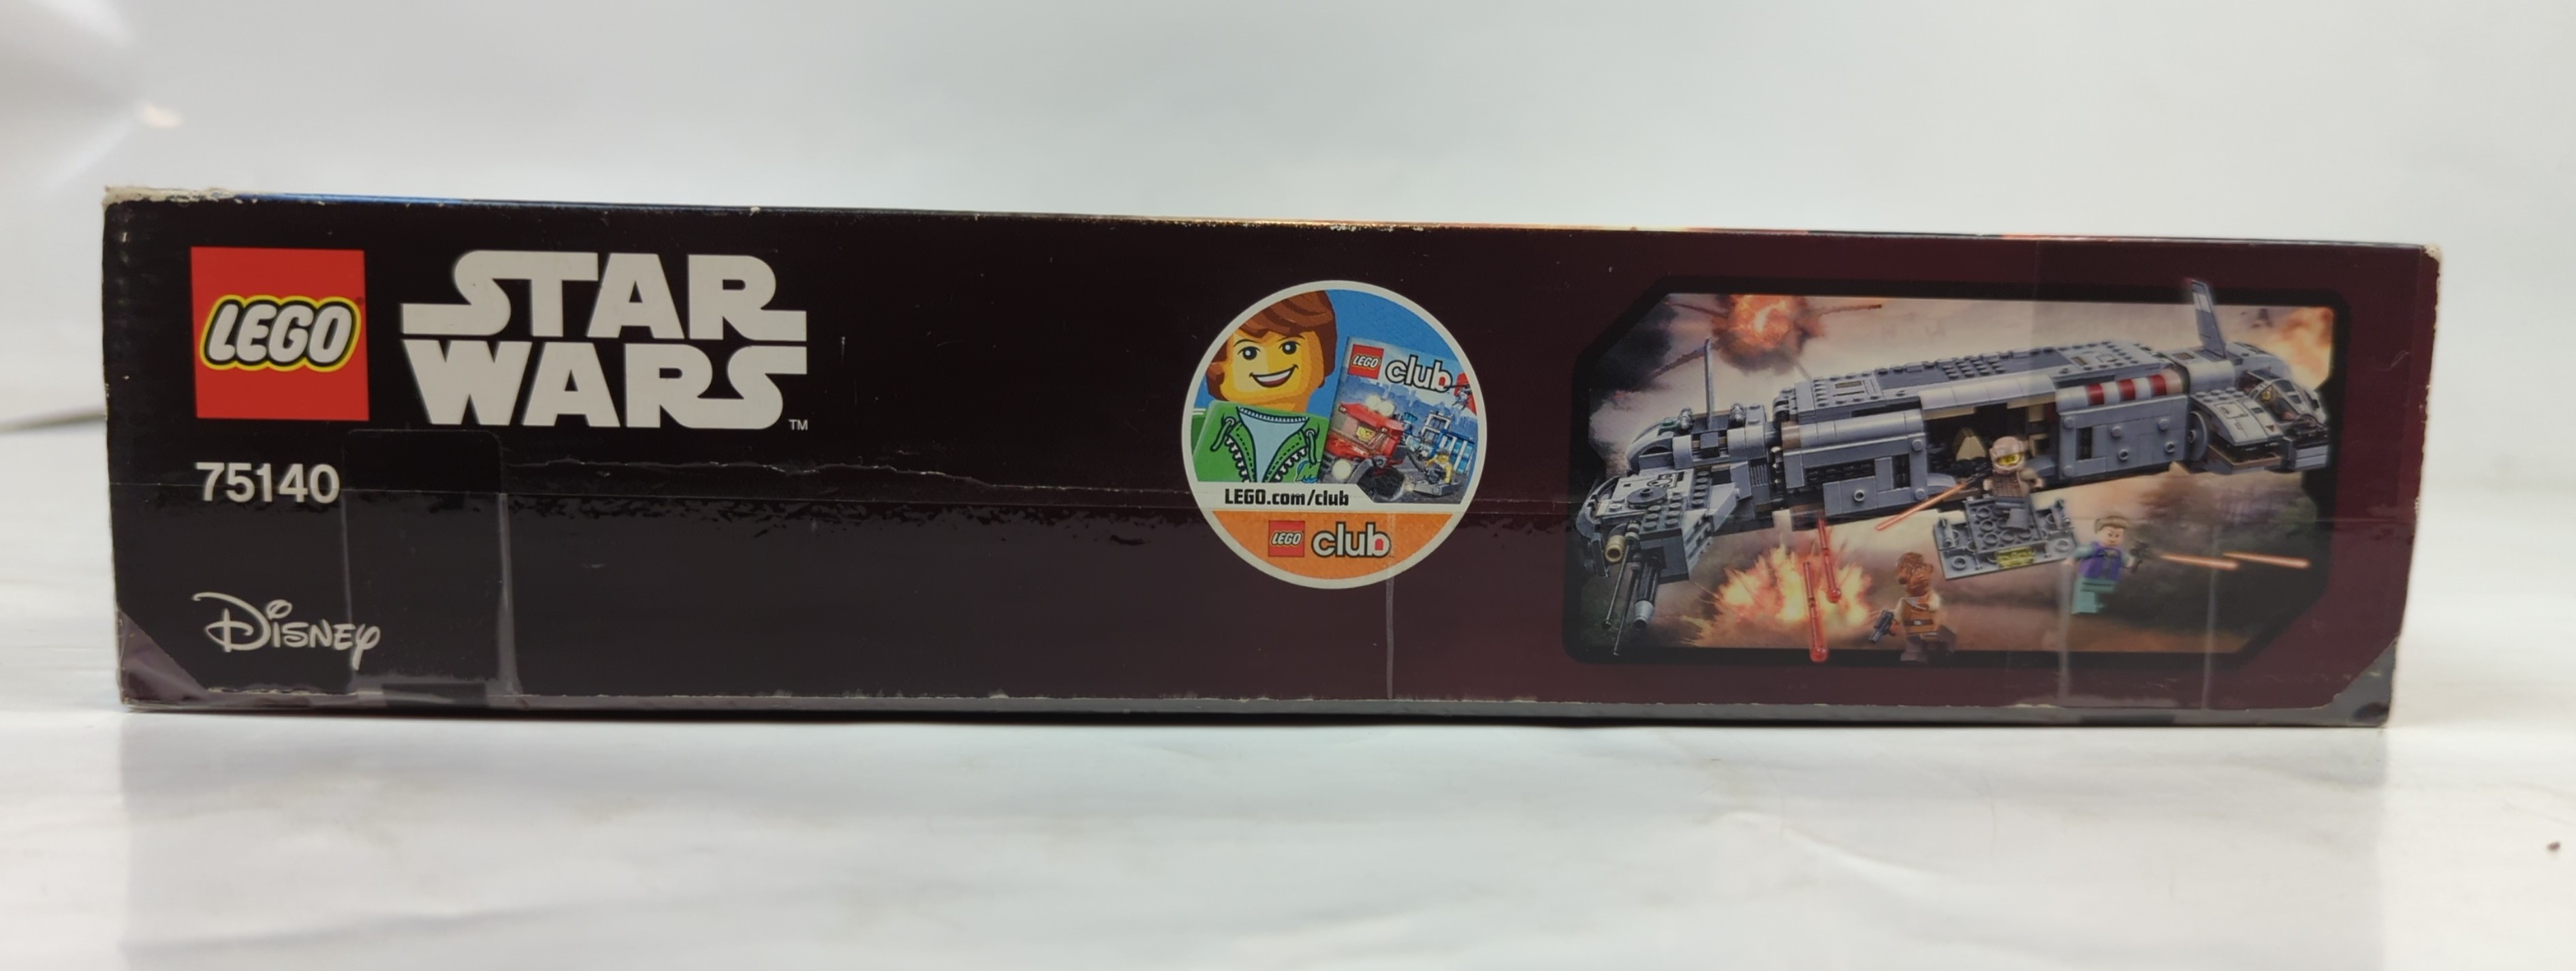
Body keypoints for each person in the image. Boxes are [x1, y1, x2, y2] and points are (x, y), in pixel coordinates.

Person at [1190, 292, 1336, 483]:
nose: (1270, 365)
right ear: (1217, 366)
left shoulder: (1325, 444)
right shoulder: (1198, 429)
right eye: (1249, 353)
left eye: (1290, 348)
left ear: (1323, 357)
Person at [2072, 514, 2142, 614]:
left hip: (2108, 580)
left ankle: (2100, 608)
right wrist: (2071, 560)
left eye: (2117, 536)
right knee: (2086, 594)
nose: (2113, 539)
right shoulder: (2093, 549)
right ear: (2098, 532)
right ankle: (2084, 609)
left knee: (2103, 596)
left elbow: (2128, 563)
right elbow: (2079, 552)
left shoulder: (2120, 553)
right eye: (2110, 534)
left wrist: (2134, 562)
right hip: (2089, 577)